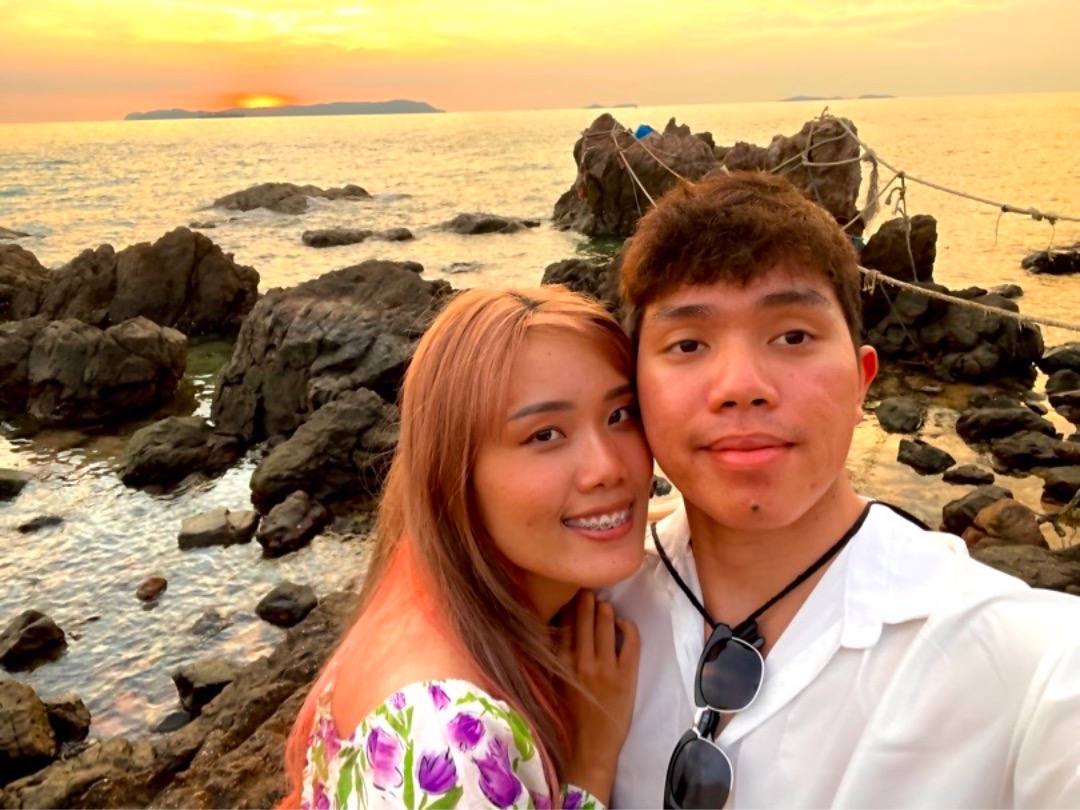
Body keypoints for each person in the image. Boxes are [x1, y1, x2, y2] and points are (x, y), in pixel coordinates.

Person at [607, 171, 1080, 808]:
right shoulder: (582, 618)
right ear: (633, 392)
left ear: (863, 382)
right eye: (688, 343)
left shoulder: (1022, 660)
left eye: (793, 336)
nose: (741, 385)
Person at [281, 286, 653, 809]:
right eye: (545, 435)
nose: (608, 468)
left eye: (620, 415)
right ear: (454, 476)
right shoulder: (443, 736)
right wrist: (592, 762)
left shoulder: (422, 594)